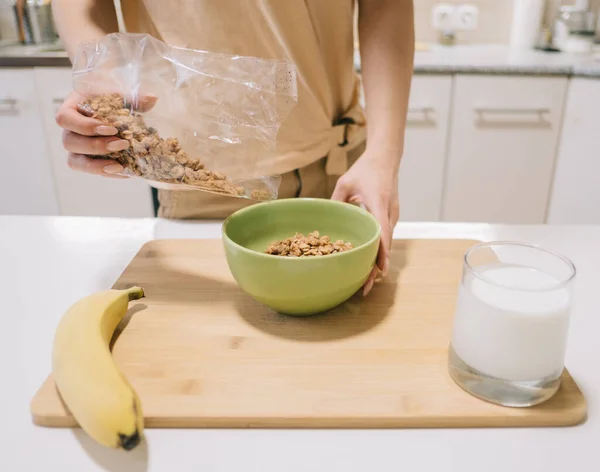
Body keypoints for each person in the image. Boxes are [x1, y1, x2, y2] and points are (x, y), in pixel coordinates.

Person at [52, 0, 414, 295]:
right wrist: (101, 76)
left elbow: (385, 6)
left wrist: (382, 157)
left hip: (344, 167)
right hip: (204, 181)